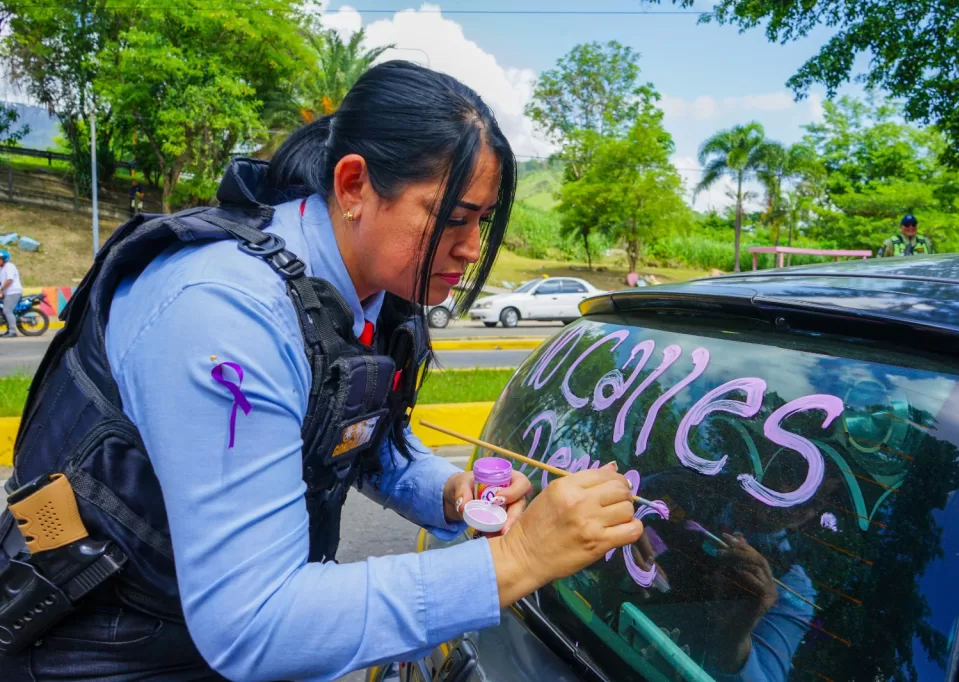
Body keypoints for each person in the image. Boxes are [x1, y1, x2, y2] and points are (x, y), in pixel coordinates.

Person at [0, 61, 643, 681]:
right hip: (104, 651)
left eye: (482, 220)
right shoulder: (225, 315)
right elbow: (254, 622)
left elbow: (359, 441)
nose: (473, 249)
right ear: (354, 185)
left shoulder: (369, 295)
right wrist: (518, 557)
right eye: (451, 218)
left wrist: (451, 491)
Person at [0, 249, 22, 338]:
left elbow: (9, 280)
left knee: (7, 310)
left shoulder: (9, 266)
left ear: (4, 259)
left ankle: (13, 331)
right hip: (7, 292)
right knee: (3, 310)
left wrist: (1, 290)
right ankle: (8, 330)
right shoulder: (1, 269)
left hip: (13, 292)